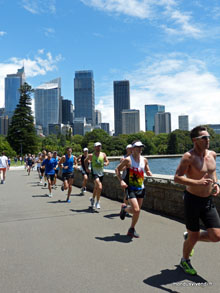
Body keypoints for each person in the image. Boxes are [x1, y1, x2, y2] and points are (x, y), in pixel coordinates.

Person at [174, 125, 220, 276]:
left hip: (207, 201)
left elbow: (213, 174)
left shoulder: (212, 154)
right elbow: (177, 178)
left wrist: (216, 184)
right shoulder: (188, 157)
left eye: (208, 137)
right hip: (192, 200)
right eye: (204, 138)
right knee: (194, 235)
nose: (207, 140)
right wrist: (197, 183)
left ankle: (190, 238)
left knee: (216, 236)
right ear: (195, 140)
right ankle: (184, 261)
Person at [115, 141, 152, 238]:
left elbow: (147, 169)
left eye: (141, 147)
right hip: (130, 188)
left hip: (141, 188)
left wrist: (149, 173)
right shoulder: (128, 160)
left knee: (137, 211)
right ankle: (125, 210)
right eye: (137, 147)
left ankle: (131, 228)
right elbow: (117, 170)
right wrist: (121, 181)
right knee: (136, 209)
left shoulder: (144, 160)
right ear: (133, 149)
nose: (140, 149)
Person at [85, 142, 109, 209]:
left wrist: (106, 163)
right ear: (94, 147)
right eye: (97, 146)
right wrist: (86, 168)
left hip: (101, 173)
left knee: (96, 187)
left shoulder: (103, 154)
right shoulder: (91, 155)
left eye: (100, 146)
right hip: (94, 173)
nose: (99, 148)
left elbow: (107, 161)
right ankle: (97, 202)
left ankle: (92, 199)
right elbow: (85, 161)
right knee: (100, 187)